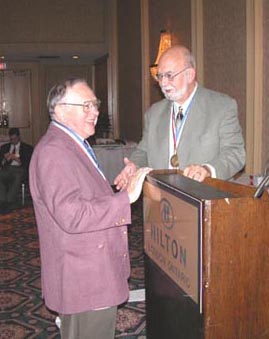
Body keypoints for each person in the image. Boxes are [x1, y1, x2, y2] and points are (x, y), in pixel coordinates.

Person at [29, 78, 151, 339]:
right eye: (86, 106)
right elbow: (71, 215)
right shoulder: (54, 151)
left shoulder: (71, 144)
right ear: (61, 110)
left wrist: (115, 191)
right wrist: (124, 199)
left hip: (86, 271)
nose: (95, 112)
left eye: (95, 105)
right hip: (85, 276)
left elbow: (83, 195)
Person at [114, 45, 245, 190]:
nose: (163, 83)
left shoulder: (221, 107)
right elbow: (143, 151)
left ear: (189, 75)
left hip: (204, 200)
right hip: (161, 201)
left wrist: (208, 170)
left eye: (169, 75)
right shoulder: (154, 113)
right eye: (160, 76)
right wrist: (134, 165)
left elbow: (235, 153)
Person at [0, 127, 33, 210]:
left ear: (19, 137)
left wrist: (16, 158)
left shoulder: (27, 148)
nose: (13, 141)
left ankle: (9, 201)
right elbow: (1, 163)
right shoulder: (4, 148)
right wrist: (4, 159)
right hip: (8, 169)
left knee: (17, 176)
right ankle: (2, 200)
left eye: (14, 139)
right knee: (1, 175)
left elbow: (27, 164)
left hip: (20, 169)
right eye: (11, 139)